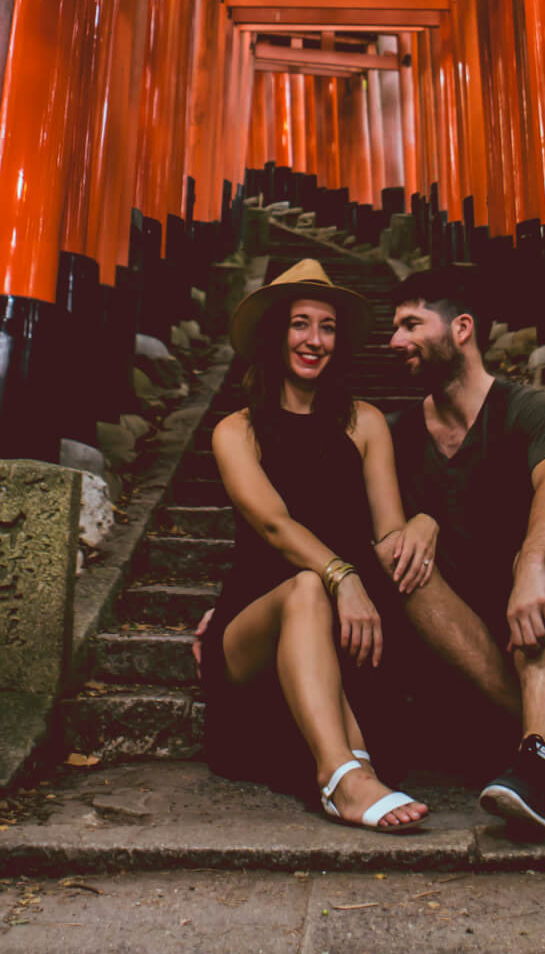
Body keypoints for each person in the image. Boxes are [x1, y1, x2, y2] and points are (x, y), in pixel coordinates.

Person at [197, 257, 429, 833]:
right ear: (277, 332)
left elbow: (390, 532)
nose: (314, 340)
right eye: (301, 323)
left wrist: (426, 523)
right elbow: (273, 525)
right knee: (305, 587)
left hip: (347, 629)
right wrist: (341, 577)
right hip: (257, 623)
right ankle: (340, 779)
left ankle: (354, 764)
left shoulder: (366, 422)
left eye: (327, 327)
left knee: (315, 596)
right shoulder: (236, 430)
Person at [379, 263, 545, 837]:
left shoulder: (530, 409)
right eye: (394, 328)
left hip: (535, 617)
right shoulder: (396, 433)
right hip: (449, 635)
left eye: (409, 325)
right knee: (405, 567)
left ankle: (538, 761)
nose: (394, 341)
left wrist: (530, 566)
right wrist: (419, 521)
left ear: (461, 329)